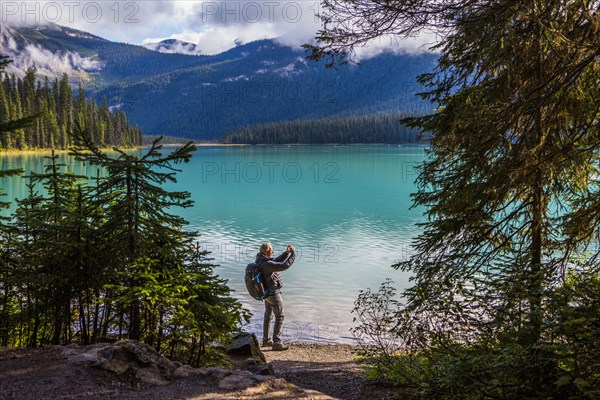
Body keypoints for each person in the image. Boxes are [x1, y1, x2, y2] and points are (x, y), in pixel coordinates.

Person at [255, 242, 296, 351]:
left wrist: (286, 253)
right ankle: (277, 342)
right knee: (280, 316)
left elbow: (276, 261)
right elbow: (284, 265)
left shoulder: (260, 260)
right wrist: (293, 255)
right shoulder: (268, 264)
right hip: (273, 294)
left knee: (268, 316)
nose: (272, 252)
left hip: (266, 294)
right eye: (271, 250)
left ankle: (266, 340)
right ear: (267, 252)